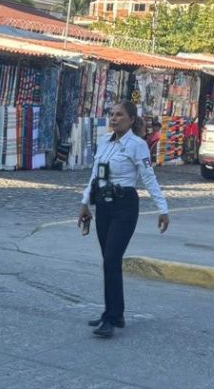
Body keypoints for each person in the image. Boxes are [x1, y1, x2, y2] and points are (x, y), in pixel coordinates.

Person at [78, 100, 170, 339]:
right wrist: (85, 202)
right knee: (108, 260)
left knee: (111, 258)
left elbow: (149, 177)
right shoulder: (104, 143)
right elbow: (94, 175)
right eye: (112, 114)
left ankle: (111, 317)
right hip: (104, 205)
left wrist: (163, 208)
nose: (114, 118)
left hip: (125, 206)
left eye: (119, 115)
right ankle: (114, 312)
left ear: (131, 119)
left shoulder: (137, 145)